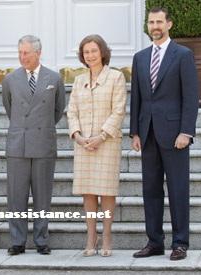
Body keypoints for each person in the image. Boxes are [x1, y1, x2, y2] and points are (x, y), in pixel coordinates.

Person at [130, 7, 199, 261]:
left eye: (159, 21)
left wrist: (187, 131)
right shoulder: (139, 57)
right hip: (147, 133)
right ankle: (154, 242)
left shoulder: (183, 55)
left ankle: (180, 243)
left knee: (178, 189)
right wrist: (134, 132)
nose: (155, 26)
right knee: (150, 190)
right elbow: (136, 97)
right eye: (151, 22)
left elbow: (191, 97)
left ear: (169, 24)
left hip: (175, 136)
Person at [2, 35, 66, 255]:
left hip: (43, 144)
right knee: (16, 196)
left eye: (26, 53)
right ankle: (17, 241)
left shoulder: (54, 78)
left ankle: (41, 240)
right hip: (18, 144)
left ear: (38, 52)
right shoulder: (10, 79)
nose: (22, 57)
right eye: (20, 52)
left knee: (42, 195)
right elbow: (10, 109)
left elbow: (57, 111)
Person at [67, 35, 127, 257]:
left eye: (93, 51)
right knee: (88, 192)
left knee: (107, 191)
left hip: (107, 142)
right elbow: (71, 110)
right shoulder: (79, 80)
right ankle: (91, 236)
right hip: (83, 144)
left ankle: (107, 236)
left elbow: (119, 109)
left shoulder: (116, 77)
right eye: (86, 52)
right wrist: (78, 136)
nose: (90, 55)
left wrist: (101, 136)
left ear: (102, 52)